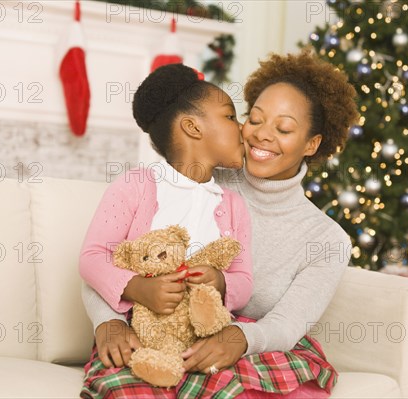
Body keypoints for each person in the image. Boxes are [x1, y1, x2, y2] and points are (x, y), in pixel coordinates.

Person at [81, 49, 359, 398]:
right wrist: (108, 322)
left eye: (284, 128)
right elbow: (111, 259)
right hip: (152, 332)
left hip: (235, 341)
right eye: (254, 119)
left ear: (312, 143)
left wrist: (238, 337)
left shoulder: (327, 240)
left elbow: (287, 324)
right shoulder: (201, 177)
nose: (261, 135)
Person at [79, 63, 254, 396]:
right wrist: (137, 289)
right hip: (143, 334)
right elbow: (92, 257)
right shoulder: (136, 185)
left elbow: (244, 281)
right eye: (231, 117)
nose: (243, 129)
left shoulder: (232, 204)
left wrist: (219, 281)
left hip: (204, 338)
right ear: (192, 127)